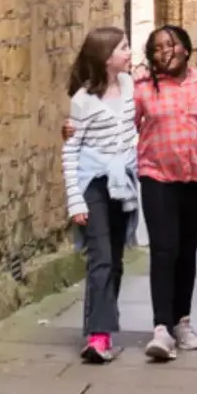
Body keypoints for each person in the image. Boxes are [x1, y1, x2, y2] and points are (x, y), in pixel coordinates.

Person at [135, 25, 197, 363]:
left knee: (187, 251)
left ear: (186, 49)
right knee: (164, 250)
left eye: (171, 44)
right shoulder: (142, 88)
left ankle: (182, 321)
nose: (164, 52)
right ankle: (161, 328)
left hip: (195, 177)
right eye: (156, 47)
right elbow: (123, 121)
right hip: (156, 176)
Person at [62, 25, 138, 365]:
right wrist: (75, 201)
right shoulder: (82, 102)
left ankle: (103, 324)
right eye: (123, 48)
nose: (129, 53)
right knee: (101, 257)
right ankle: (97, 336)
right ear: (107, 58)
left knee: (117, 260)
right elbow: (70, 152)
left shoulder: (129, 85)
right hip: (93, 182)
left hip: (122, 183)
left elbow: (132, 130)